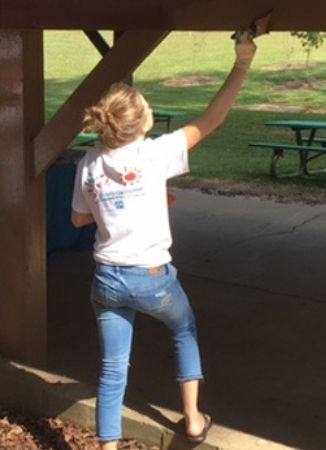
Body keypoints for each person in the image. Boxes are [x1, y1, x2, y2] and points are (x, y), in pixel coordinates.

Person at [71, 39, 257, 448]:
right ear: (142, 124)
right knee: (183, 329)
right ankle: (192, 419)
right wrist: (242, 65)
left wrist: (112, 206)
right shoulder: (156, 154)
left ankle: (107, 445)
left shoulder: (88, 162)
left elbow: (79, 218)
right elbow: (213, 119)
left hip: (106, 279)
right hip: (152, 279)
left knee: (112, 367)